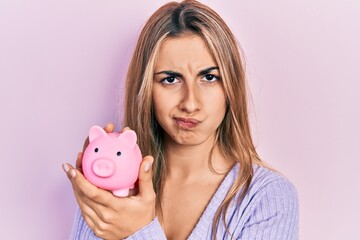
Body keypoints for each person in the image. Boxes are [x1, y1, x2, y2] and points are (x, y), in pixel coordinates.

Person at [62, 0, 299, 239]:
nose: (190, 103)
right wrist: (100, 191)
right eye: (170, 79)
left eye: (209, 77)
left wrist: (138, 231)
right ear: (146, 89)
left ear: (231, 87)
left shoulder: (267, 198)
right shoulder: (113, 185)